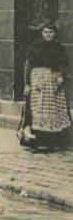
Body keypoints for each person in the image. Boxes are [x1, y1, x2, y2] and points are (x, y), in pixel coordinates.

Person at [22, 24, 72, 153]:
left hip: (54, 81)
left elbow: (64, 64)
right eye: (46, 32)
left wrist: (61, 75)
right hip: (38, 80)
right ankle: (37, 140)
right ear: (42, 33)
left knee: (55, 109)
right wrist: (27, 83)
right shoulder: (35, 47)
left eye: (51, 32)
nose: (48, 34)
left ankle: (55, 140)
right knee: (38, 108)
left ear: (55, 33)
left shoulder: (59, 47)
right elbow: (28, 66)